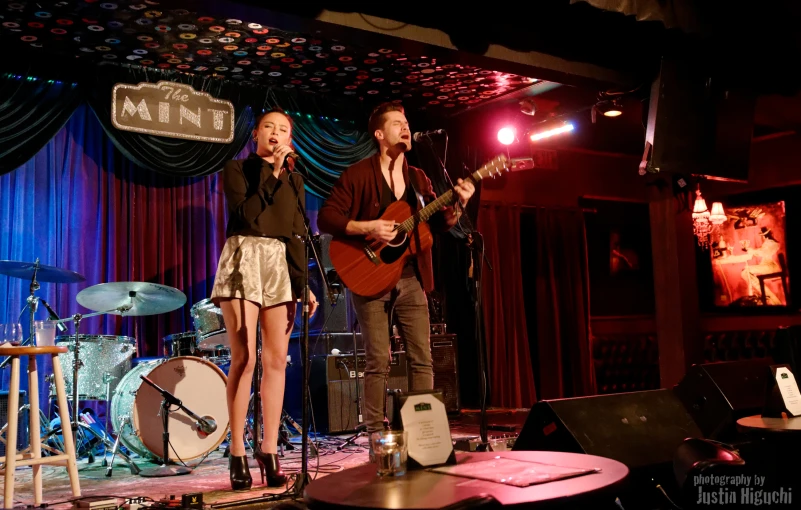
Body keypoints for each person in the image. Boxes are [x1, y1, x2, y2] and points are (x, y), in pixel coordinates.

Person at [317, 102, 475, 446]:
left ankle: (423, 432)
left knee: (423, 356)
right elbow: (326, 218)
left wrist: (459, 204)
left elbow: (438, 224)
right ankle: (375, 432)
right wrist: (368, 226)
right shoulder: (358, 174)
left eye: (407, 122)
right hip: (369, 275)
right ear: (379, 134)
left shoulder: (418, 178)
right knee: (378, 359)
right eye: (397, 124)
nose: (405, 128)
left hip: (411, 278)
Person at [211, 108, 318, 490]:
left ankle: (269, 449)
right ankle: (237, 450)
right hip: (244, 256)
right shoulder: (237, 170)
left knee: (276, 360)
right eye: (269, 127)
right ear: (256, 133)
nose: (276, 133)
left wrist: (303, 284)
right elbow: (247, 216)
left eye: (284, 128)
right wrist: (272, 174)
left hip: (278, 264)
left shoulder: (295, 179)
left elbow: (294, 234)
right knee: (246, 358)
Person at [716, 226, 782, 304]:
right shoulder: (768, 243)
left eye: (762, 235)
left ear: (765, 235)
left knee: (745, 272)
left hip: (772, 267)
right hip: (767, 266)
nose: (762, 237)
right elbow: (759, 252)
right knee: (745, 271)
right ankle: (761, 291)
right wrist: (749, 250)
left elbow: (762, 252)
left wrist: (750, 250)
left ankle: (770, 298)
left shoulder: (773, 243)